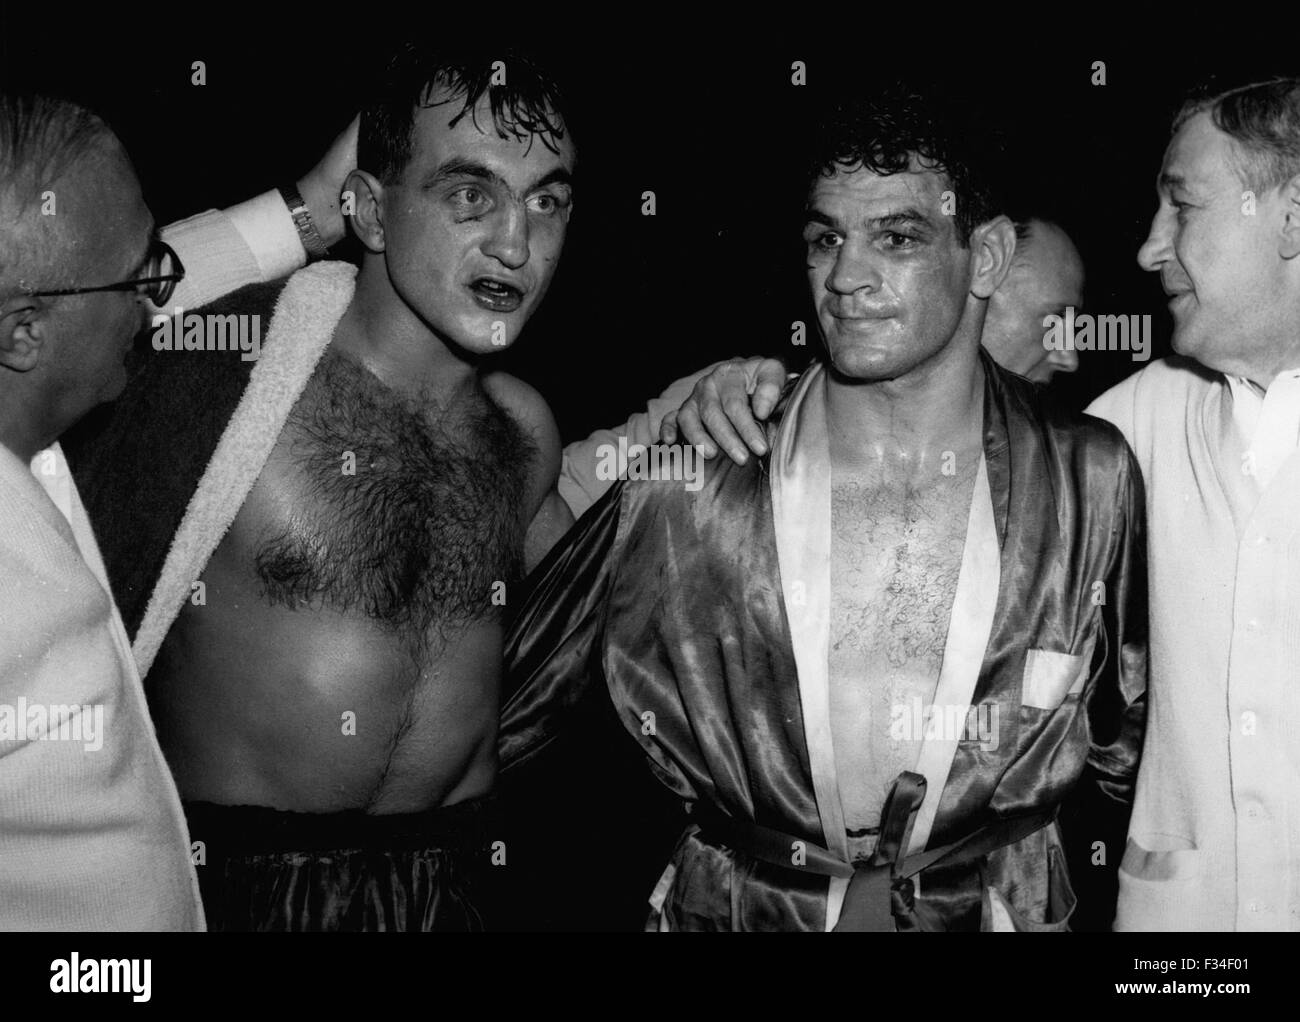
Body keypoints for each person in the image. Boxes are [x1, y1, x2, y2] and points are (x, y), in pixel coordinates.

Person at [499, 88, 1147, 930]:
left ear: (984, 259)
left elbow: (1124, 757)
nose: (845, 277)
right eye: (826, 238)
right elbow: (502, 711)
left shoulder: (1090, 476)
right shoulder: (699, 475)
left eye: (898, 237)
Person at [65, 45, 576, 931]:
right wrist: (302, 208)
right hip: (238, 890)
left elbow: (626, 571)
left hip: (455, 887)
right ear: (372, 212)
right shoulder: (236, 365)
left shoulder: (522, 431)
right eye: (469, 195)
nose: (515, 242)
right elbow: (69, 301)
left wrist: (711, 410)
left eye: (549, 201)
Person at [1088, 77, 1300, 931]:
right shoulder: (1134, 420)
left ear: (1291, 216)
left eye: (1183, 207)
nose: (1148, 248)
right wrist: (741, 396)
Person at [0, 94, 201, 930]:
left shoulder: (27, 427)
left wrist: (299, 208)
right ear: (22, 334)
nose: (158, 296)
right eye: (138, 277)